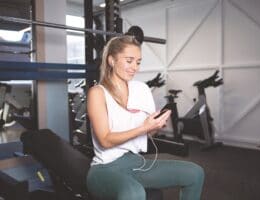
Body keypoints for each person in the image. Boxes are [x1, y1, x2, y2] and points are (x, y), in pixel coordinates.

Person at [86, 35, 205, 200]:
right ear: (112, 60)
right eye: (129, 61)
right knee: (134, 193)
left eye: (138, 62)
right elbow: (105, 140)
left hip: (136, 163)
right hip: (104, 168)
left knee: (195, 173)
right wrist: (144, 127)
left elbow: (147, 136)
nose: (134, 67)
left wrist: (154, 127)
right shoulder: (97, 93)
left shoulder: (141, 89)